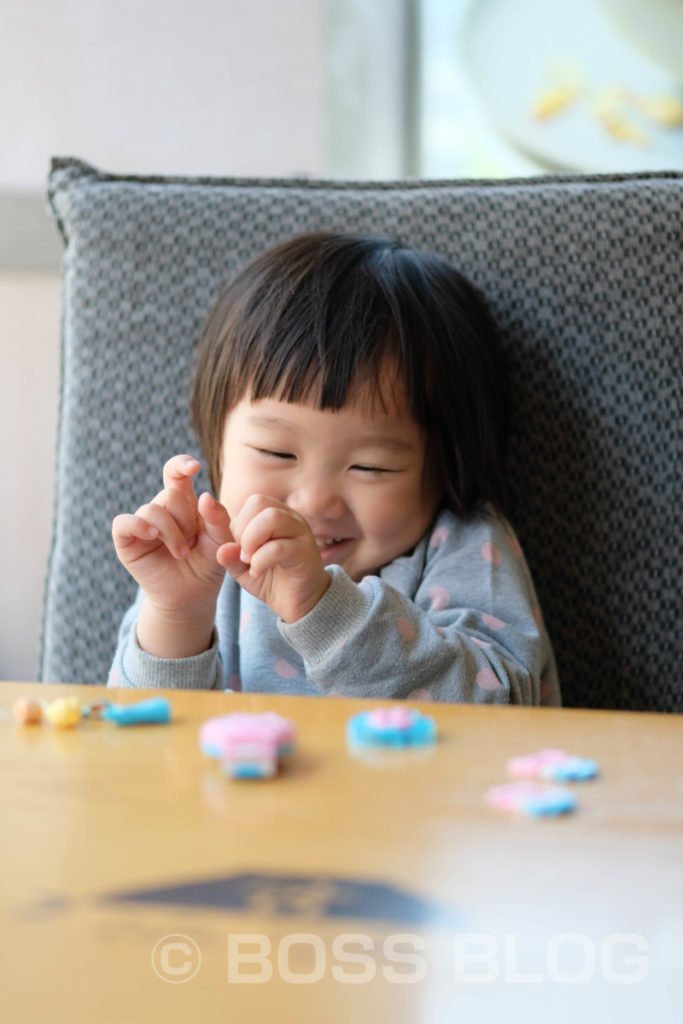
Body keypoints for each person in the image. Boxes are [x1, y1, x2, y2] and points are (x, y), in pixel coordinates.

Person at [109, 232, 560, 705]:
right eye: (276, 453)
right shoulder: (202, 561)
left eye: (370, 466)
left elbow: (502, 711)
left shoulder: (463, 545)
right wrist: (177, 613)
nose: (313, 501)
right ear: (215, 444)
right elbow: (139, 741)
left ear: (447, 466)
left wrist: (323, 609)